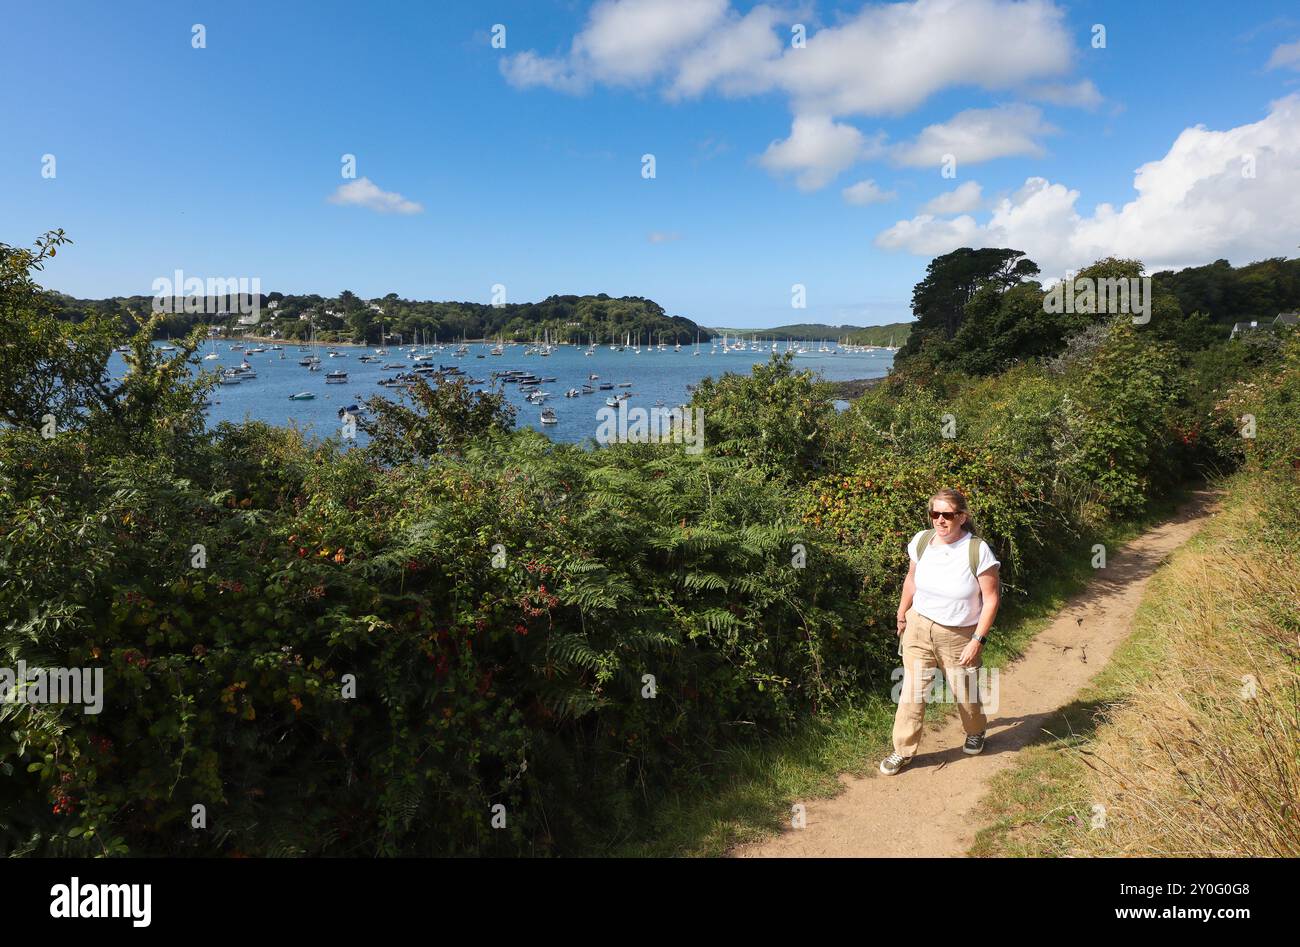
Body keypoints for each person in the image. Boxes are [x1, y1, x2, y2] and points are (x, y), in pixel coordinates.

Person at [880, 488, 1000, 776]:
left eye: (947, 515)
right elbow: (911, 579)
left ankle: (975, 730)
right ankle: (903, 750)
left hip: (958, 633)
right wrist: (901, 613)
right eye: (935, 513)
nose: (940, 520)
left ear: (962, 517)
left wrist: (977, 640)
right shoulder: (921, 541)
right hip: (919, 626)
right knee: (911, 690)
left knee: (964, 689)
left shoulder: (977, 550)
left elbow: (992, 599)